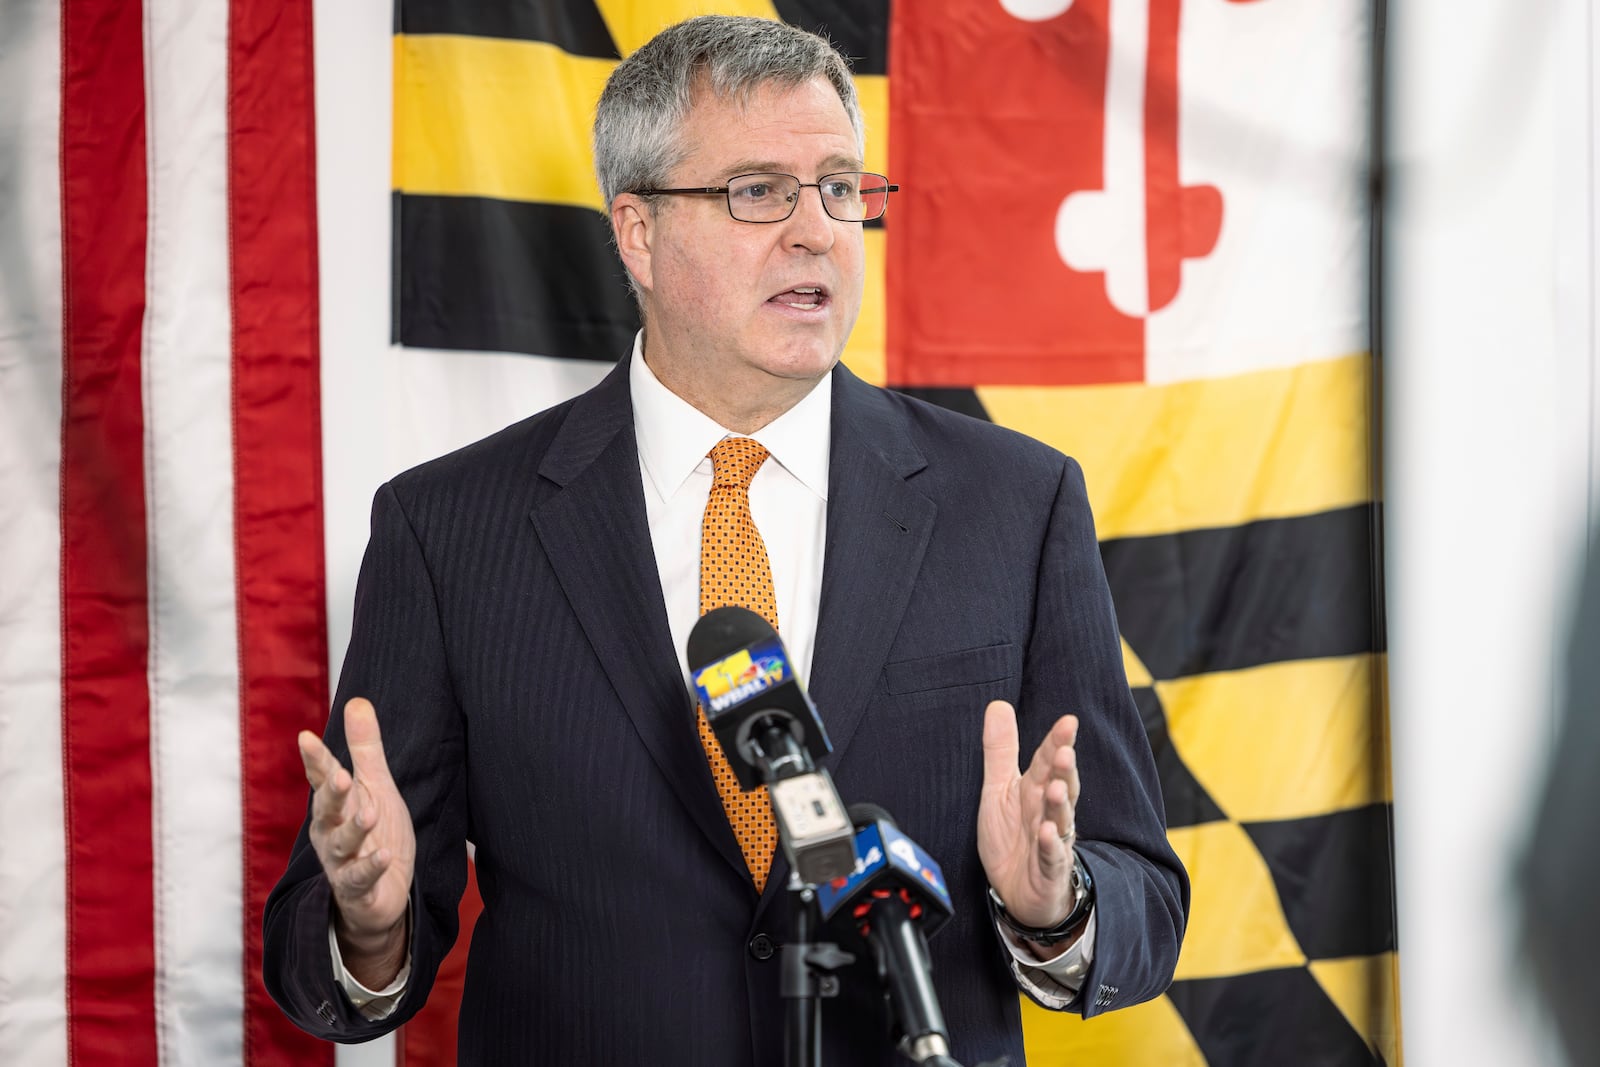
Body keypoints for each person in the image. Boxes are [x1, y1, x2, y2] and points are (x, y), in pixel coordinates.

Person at [264, 16, 1187, 1066]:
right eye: (757, 191)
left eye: (841, 186)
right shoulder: (449, 529)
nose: (814, 231)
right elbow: (323, 962)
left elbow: (1142, 894)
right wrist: (371, 923)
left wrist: (1055, 905)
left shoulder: (1016, 504)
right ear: (638, 232)